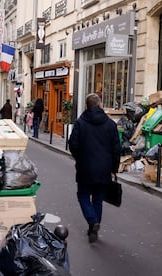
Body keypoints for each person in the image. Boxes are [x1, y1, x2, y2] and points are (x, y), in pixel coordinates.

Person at [68, 93, 121, 243]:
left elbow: (73, 145)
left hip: (85, 167)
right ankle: (94, 225)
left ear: (86, 106)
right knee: (98, 198)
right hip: (104, 169)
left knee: (83, 195)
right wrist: (114, 168)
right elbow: (116, 149)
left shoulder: (80, 123)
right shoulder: (111, 124)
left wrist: (80, 158)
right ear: (100, 105)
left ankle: (92, 222)